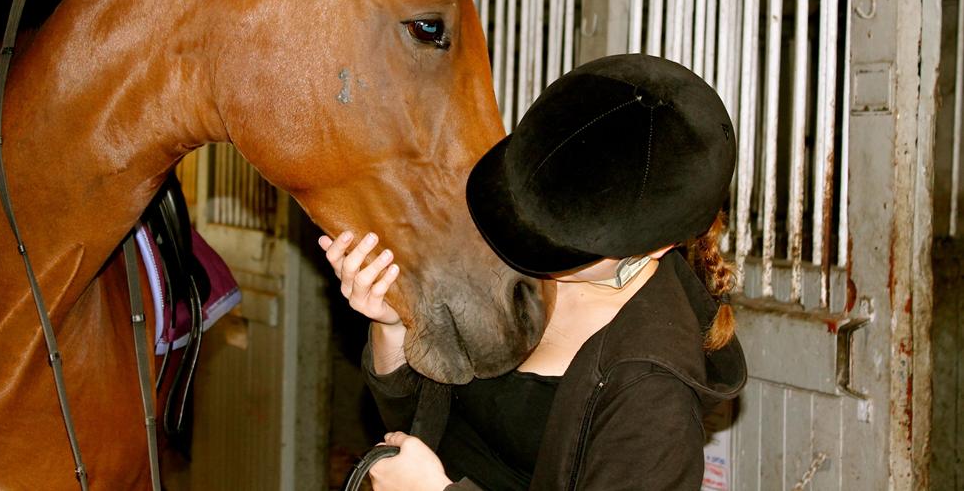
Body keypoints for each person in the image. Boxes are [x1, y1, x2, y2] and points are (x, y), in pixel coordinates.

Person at [320, 53, 747, 490]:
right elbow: (421, 418)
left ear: (657, 245)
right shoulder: (516, 263)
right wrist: (391, 324)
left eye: (556, 238)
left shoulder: (653, 393)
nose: (521, 240)